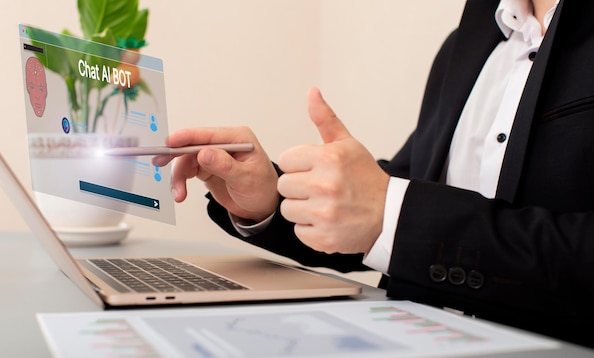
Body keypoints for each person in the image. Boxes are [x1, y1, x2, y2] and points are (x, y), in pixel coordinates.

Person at [153, 0, 594, 347]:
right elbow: (394, 199)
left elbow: (396, 210)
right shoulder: (468, 41)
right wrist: (272, 198)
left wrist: (391, 212)